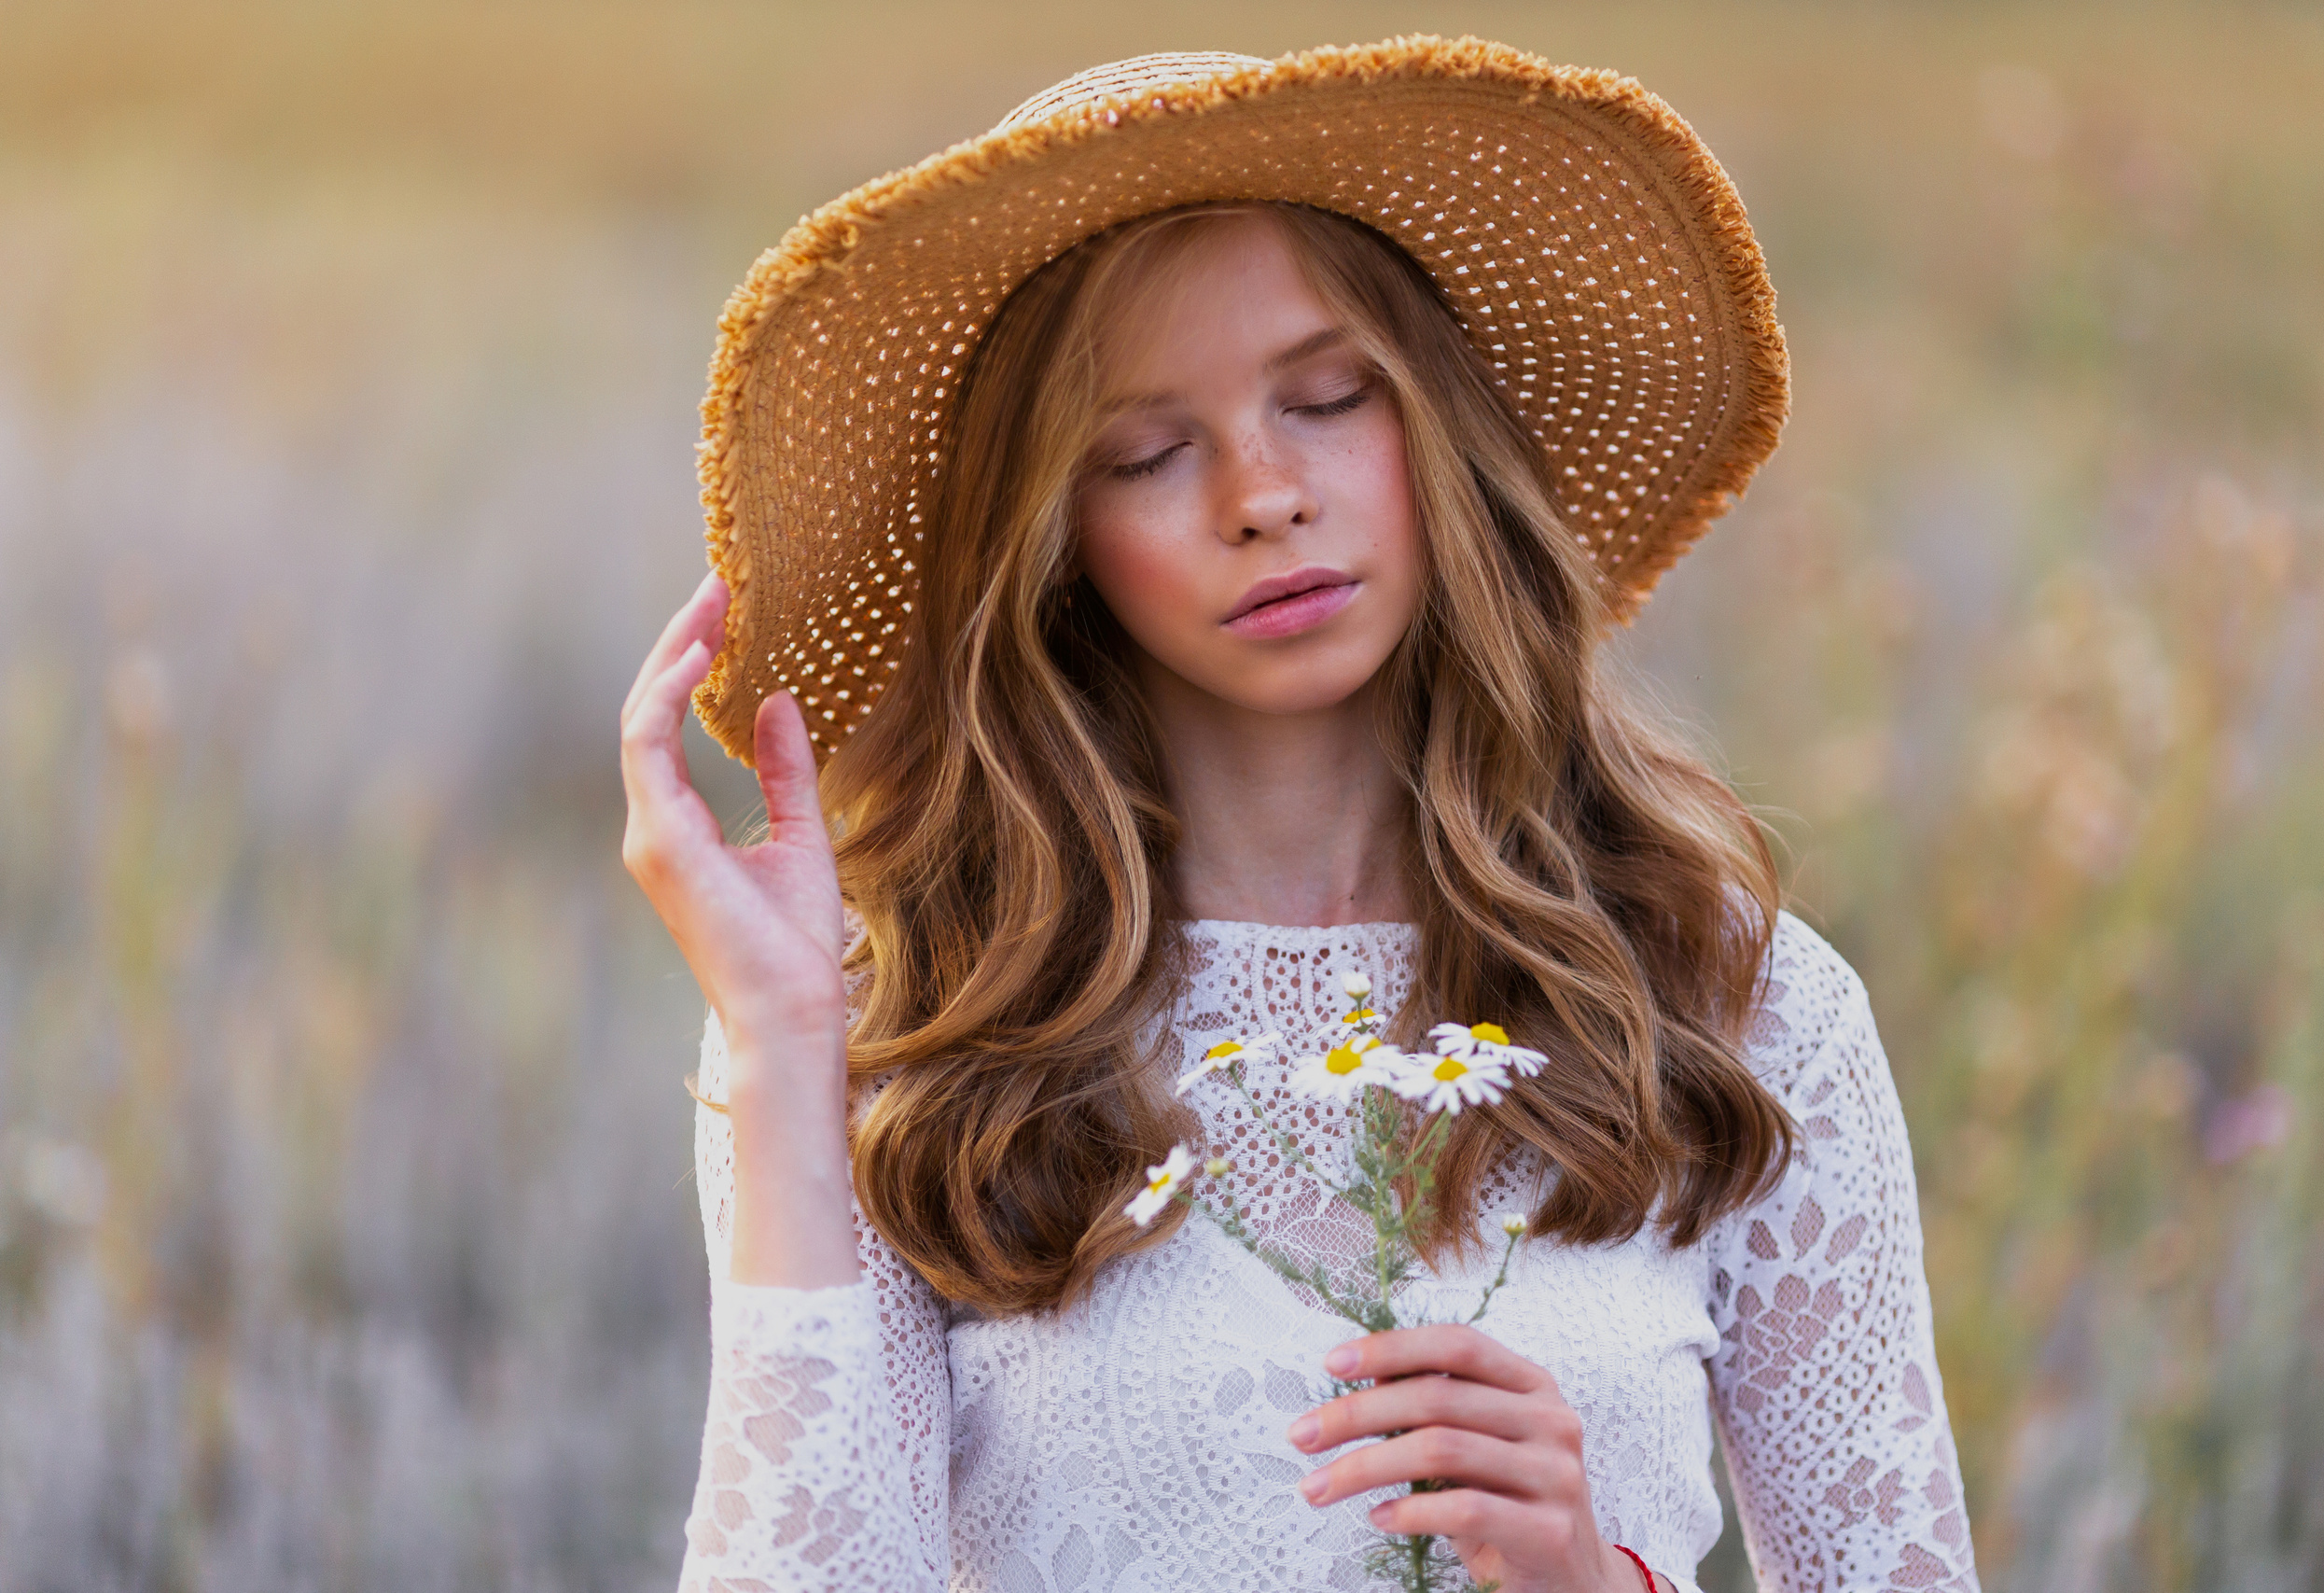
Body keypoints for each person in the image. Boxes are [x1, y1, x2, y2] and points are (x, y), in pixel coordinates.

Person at [619, 41, 1978, 1593]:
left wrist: (1590, 1586)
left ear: (1441, 433)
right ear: (1057, 538)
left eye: (1329, 397)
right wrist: (790, 1056)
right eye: (1146, 452)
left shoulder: (1738, 1004)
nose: (1261, 493)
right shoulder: (890, 1031)